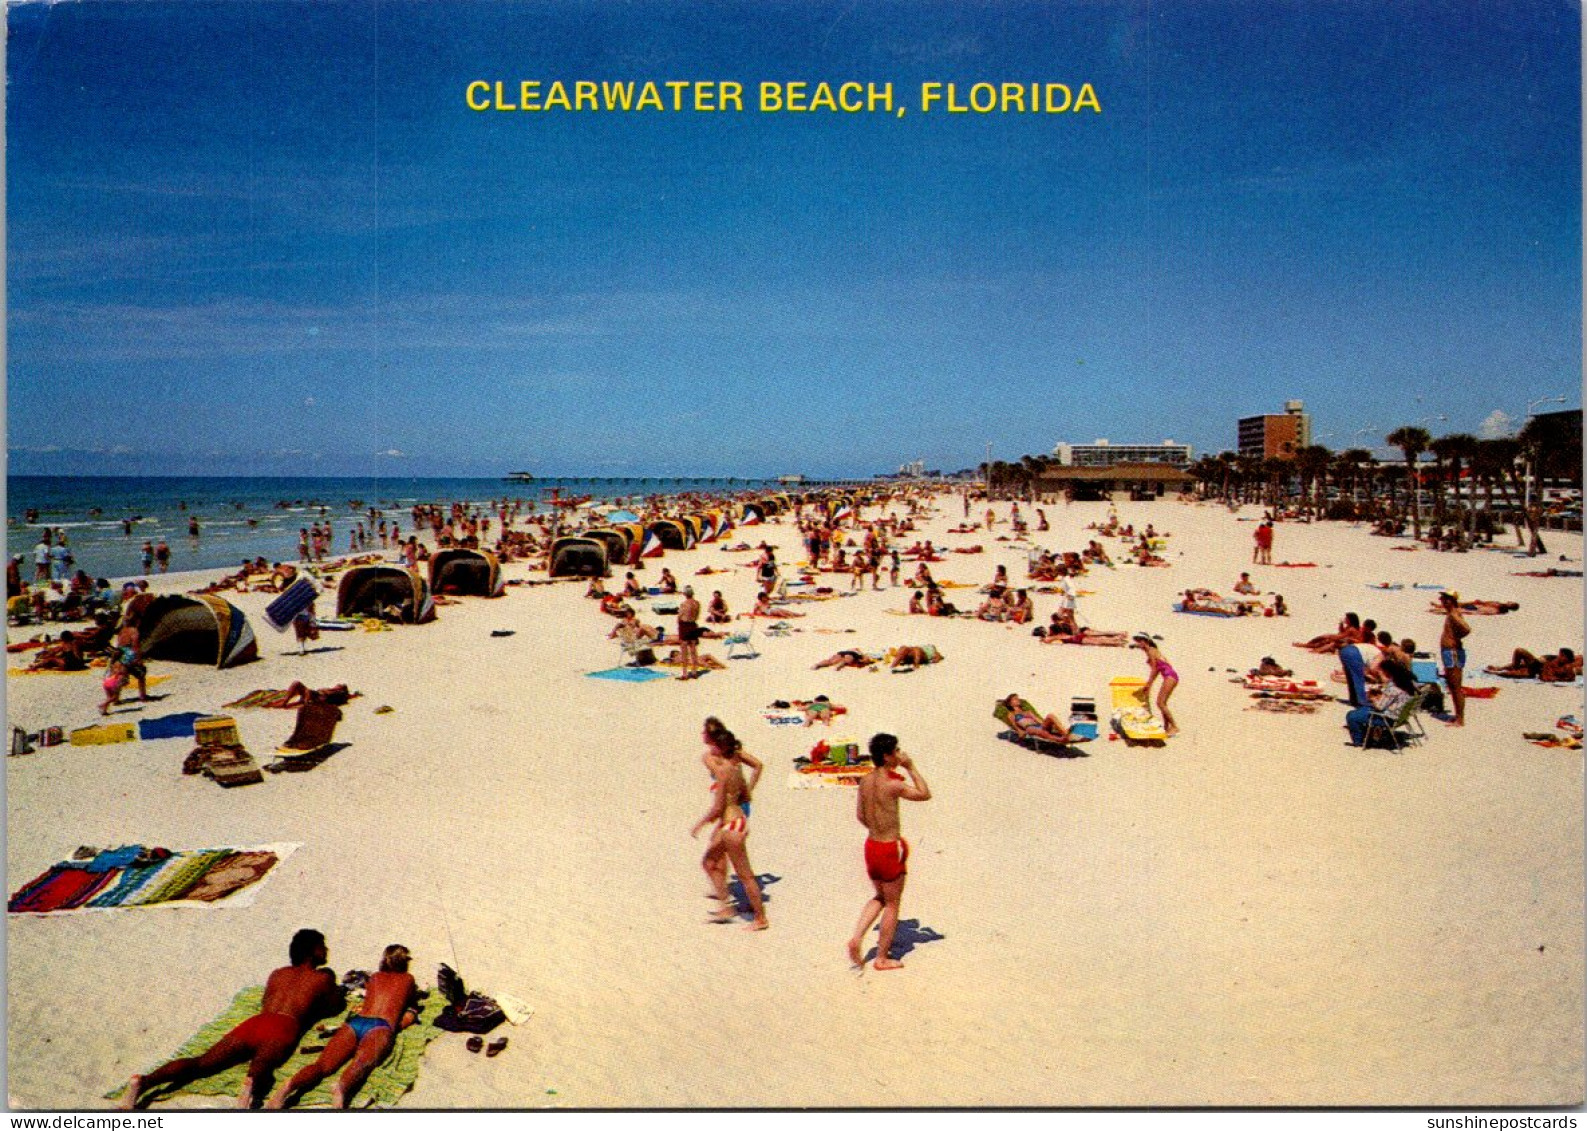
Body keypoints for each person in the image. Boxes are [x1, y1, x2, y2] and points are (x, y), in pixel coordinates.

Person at [122, 929, 343, 1110]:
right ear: (313, 950)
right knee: (263, 1064)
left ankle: (144, 1081)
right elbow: (333, 1008)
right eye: (323, 946)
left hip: (256, 1022)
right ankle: (247, 1091)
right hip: (284, 1025)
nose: (326, 950)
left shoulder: (277, 973)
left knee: (203, 1062)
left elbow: (266, 999)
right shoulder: (323, 977)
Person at [266, 944, 420, 1110]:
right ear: (405, 962)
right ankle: (341, 1088)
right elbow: (409, 1003)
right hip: (381, 1026)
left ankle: (287, 1087)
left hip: (356, 1022)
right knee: (360, 1063)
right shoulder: (408, 979)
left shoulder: (375, 977)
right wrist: (408, 1016)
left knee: (322, 1065)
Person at [847, 733, 930, 971]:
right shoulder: (893, 784)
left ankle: (857, 937)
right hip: (890, 847)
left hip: (871, 845)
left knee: (880, 897)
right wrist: (911, 767)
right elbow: (924, 793)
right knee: (893, 903)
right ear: (886, 756)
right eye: (896, 751)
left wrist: (877, 826)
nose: (899, 754)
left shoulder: (865, 780)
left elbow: (861, 816)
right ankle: (881, 958)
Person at [690, 718, 768, 931]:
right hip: (737, 820)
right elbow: (745, 796)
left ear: (718, 747)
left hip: (731, 825)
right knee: (710, 861)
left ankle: (760, 918)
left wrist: (699, 825)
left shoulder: (723, 772)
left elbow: (717, 808)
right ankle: (726, 905)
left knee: (744, 874)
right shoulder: (735, 768)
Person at [1133, 633, 1180, 736]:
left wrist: (1148, 684)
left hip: (1170, 676)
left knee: (1160, 703)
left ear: (1145, 641)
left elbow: (1155, 669)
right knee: (1162, 703)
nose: (1138, 644)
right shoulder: (1151, 650)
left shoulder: (1151, 651)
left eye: (1139, 642)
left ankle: (1175, 727)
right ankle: (1166, 727)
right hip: (1170, 676)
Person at [1437, 591, 1470, 726]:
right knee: (1451, 685)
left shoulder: (1453, 614)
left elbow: (1466, 629)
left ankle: (1460, 719)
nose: (1443, 601)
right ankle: (1458, 716)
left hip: (1452, 652)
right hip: (1450, 652)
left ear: (1452, 600)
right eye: (1442, 599)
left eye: (1446, 599)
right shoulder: (1452, 613)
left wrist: (1456, 638)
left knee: (1455, 687)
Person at [1000, 693, 1071, 743]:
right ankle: (1061, 740)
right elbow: (1014, 724)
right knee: (1040, 731)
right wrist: (1019, 731)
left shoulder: (1028, 712)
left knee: (1050, 715)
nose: (1018, 700)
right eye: (1015, 699)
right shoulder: (1011, 714)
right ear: (1010, 703)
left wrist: (1051, 726)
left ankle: (1066, 733)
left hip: (1039, 726)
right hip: (1029, 728)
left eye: (1018, 698)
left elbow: (1039, 721)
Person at [1486, 648, 1581, 682]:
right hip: (1538, 666)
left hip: (1536, 669)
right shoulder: (1561, 662)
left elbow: (1547, 677)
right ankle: (1499, 669)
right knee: (1520, 664)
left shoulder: (1568, 666)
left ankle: (1497, 671)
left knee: (1518, 664)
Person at [675, 585, 703, 680]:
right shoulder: (697, 603)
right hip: (693, 624)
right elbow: (697, 616)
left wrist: (678, 625)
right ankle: (694, 671)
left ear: (685, 594)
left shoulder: (684, 604)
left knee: (684, 651)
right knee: (693, 649)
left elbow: (679, 616)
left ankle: (685, 673)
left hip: (684, 625)